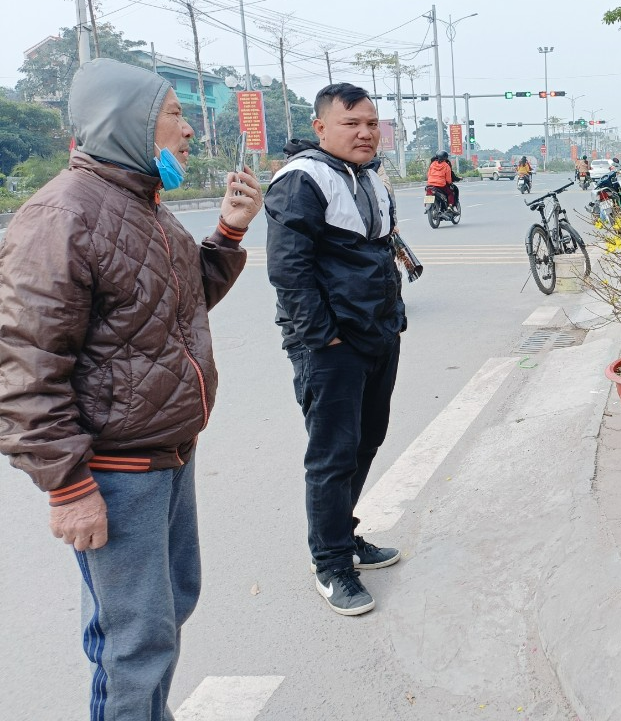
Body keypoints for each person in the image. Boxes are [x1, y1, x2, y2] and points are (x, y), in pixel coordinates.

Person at [0, 58, 262, 720]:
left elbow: (178, 304)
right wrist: (67, 485)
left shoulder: (143, 205)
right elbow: (24, 368)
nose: (187, 133)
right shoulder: (61, 216)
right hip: (114, 472)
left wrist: (228, 231)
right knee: (133, 641)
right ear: (129, 122)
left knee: (169, 608)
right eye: (174, 115)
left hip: (167, 456)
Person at [264, 82, 405, 617]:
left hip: (377, 334)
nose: (365, 132)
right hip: (330, 346)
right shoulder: (302, 179)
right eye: (352, 123)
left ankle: (344, 536)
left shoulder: (369, 176)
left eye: (371, 123)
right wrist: (324, 336)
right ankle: (330, 564)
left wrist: (393, 320)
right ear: (321, 127)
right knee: (332, 453)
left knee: (368, 438)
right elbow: (289, 270)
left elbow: (379, 253)